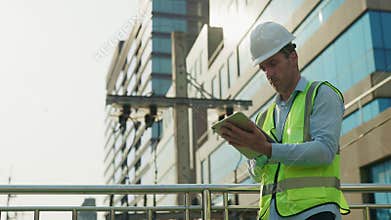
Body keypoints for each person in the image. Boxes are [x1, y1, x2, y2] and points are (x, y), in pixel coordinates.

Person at [219, 21, 350, 220]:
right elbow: (256, 174)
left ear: (293, 58)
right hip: (272, 214)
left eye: (273, 64)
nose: (269, 74)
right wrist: (252, 150)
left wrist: (266, 149)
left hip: (315, 212)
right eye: (263, 68)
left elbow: (324, 152)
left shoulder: (321, 94)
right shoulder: (264, 116)